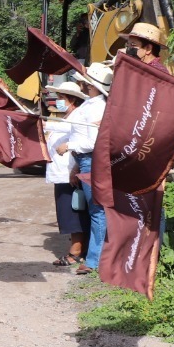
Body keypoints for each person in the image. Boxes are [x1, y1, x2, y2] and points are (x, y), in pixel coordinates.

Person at [57, 63, 113, 275]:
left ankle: (94, 260)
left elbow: (94, 141)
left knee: (97, 210)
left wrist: (68, 146)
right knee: (94, 210)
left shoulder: (98, 106)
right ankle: (94, 256)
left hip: (92, 159)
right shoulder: (90, 104)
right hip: (85, 160)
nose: (81, 83)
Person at [43, 82, 90, 267]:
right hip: (61, 173)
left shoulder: (77, 116)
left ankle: (76, 251)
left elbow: (74, 134)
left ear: (71, 99)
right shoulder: (67, 117)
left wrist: (75, 168)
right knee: (69, 212)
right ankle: (79, 247)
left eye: (61, 98)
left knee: (72, 213)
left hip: (69, 173)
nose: (58, 101)